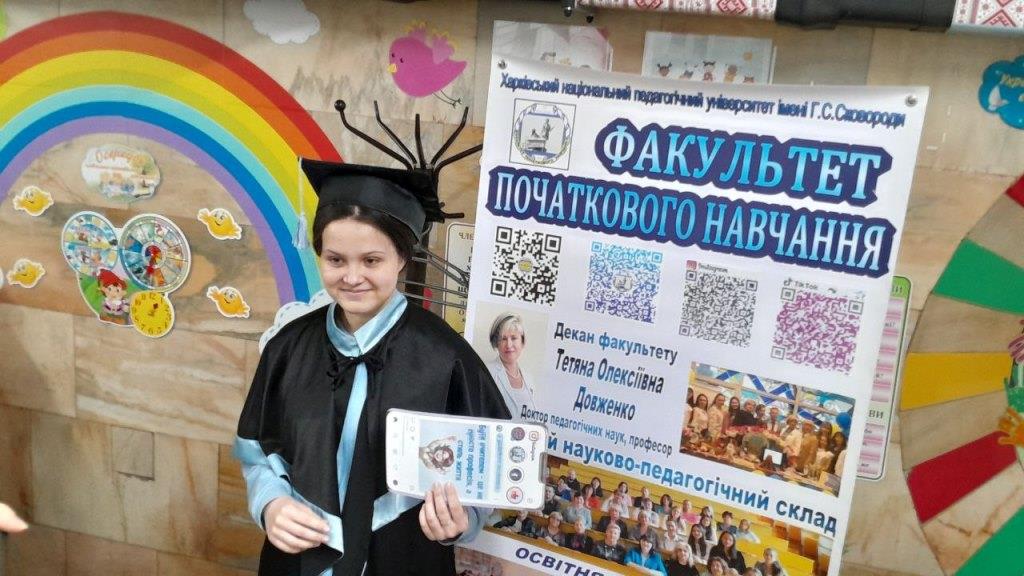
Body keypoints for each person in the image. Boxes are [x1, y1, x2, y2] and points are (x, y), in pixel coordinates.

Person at [234, 160, 511, 576]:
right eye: (335, 259)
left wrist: (463, 520)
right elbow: (258, 451)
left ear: (402, 257)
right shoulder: (288, 349)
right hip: (301, 559)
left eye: (371, 260)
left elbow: (488, 467)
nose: (352, 277)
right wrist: (269, 503)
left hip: (405, 557)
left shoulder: (445, 358)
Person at [486, 313, 536, 419]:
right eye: (503, 339)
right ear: (496, 343)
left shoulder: (529, 379)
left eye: (513, 338)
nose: (509, 345)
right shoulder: (487, 373)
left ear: (522, 342)